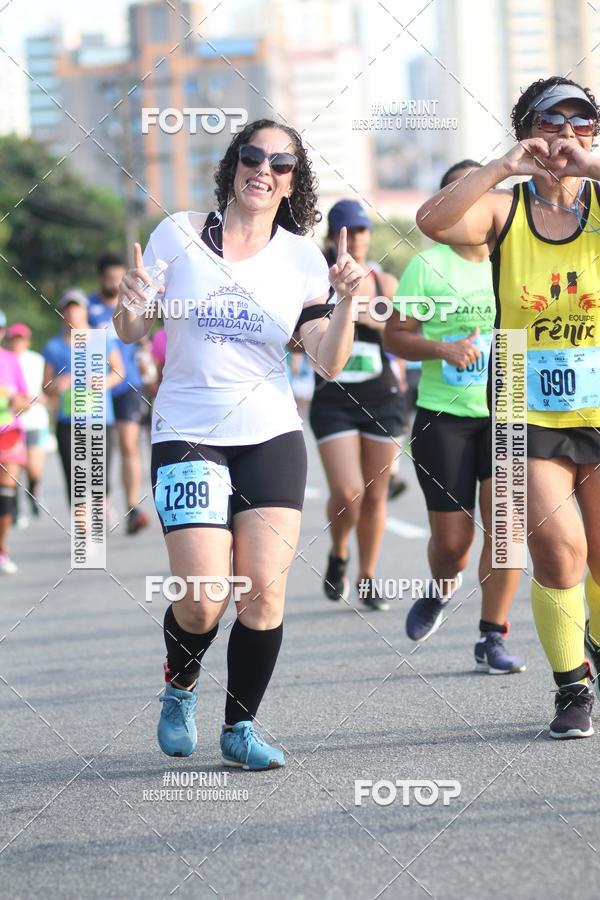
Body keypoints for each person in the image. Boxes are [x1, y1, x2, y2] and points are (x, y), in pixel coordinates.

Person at [114, 119, 362, 769]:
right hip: (188, 430)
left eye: (281, 163)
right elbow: (132, 328)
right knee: (201, 598)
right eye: (253, 156)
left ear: (292, 183)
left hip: (270, 434)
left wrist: (351, 304)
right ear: (233, 166)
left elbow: (327, 361)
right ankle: (180, 682)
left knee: (264, 591)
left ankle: (240, 729)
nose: (265, 169)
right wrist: (131, 302)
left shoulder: (304, 258)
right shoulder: (180, 233)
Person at [416, 76, 600, 738]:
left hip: (599, 399)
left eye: (583, 121)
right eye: (552, 121)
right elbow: (433, 221)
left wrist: (591, 165)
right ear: (526, 128)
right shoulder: (505, 209)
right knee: (559, 549)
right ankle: (572, 687)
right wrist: (502, 166)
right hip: (522, 396)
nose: (567, 133)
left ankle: (591, 647)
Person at [385, 160, 525, 674]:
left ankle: (493, 634)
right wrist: (441, 349)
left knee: (506, 527)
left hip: (509, 411)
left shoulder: (516, 256)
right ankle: (442, 588)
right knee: (453, 544)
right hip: (444, 416)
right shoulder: (428, 265)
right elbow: (395, 336)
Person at [307, 200, 406, 612]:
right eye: (349, 231)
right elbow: (298, 339)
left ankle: (366, 578)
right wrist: (341, 314)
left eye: (363, 231)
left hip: (381, 397)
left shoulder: (385, 281)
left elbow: (403, 334)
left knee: (375, 495)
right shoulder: (315, 281)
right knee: (349, 492)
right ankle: (339, 551)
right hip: (333, 398)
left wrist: (368, 316)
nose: (358, 238)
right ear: (334, 237)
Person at [42, 289, 123, 504]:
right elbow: (46, 386)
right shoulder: (53, 346)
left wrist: (103, 382)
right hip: (68, 420)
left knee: (100, 478)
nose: (72, 312)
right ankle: (82, 527)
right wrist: (57, 385)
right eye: (67, 308)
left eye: (76, 307)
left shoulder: (101, 339)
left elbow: (118, 372)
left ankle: (101, 507)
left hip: (100, 419)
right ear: (61, 313)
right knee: (74, 477)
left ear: (85, 310)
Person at [89, 253, 150, 534]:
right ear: (101, 277)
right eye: (109, 278)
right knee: (99, 450)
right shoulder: (87, 308)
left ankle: (132, 507)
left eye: (118, 277)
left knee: (128, 443)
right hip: (96, 387)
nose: (114, 282)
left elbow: (144, 336)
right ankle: (102, 501)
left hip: (128, 385)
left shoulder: (132, 301)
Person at [4, 323, 49, 523]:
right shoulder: (6, 359)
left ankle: (33, 491)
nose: (17, 342)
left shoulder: (37, 360)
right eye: (14, 338)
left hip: (34, 420)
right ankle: (12, 510)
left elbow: (46, 389)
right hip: (12, 422)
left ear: (27, 341)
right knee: (12, 470)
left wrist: (39, 399)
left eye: (21, 339)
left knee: (33, 466)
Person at [0, 318, 29, 574]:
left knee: (6, 495)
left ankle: (1, 548)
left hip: (8, 434)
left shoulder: (10, 360)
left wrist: (12, 400)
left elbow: (26, 399)